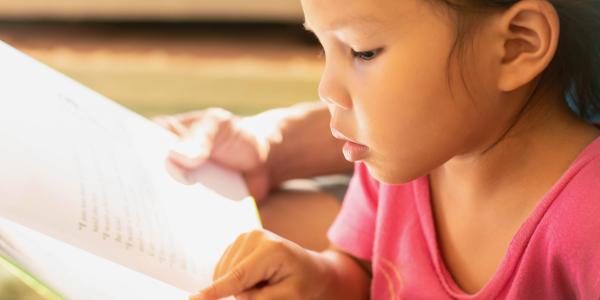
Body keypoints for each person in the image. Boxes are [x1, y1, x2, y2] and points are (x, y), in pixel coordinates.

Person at [171, 0, 600, 298]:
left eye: (362, 51)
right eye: (322, 49)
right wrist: (314, 279)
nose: (327, 90)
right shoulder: (404, 160)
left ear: (516, 46)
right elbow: (359, 274)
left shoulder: (587, 217)